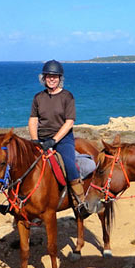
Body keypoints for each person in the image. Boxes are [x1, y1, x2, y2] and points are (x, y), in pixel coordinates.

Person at [28, 60, 85, 205]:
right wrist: (35, 140)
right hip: (40, 138)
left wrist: (53, 140)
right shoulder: (38, 97)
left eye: (55, 76)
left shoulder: (67, 96)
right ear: (44, 78)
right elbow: (33, 120)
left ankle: (79, 200)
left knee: (69, 164)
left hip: (62, 138)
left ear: (60, 78)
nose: (52, 79)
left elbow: (69, 122)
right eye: (48, 76)